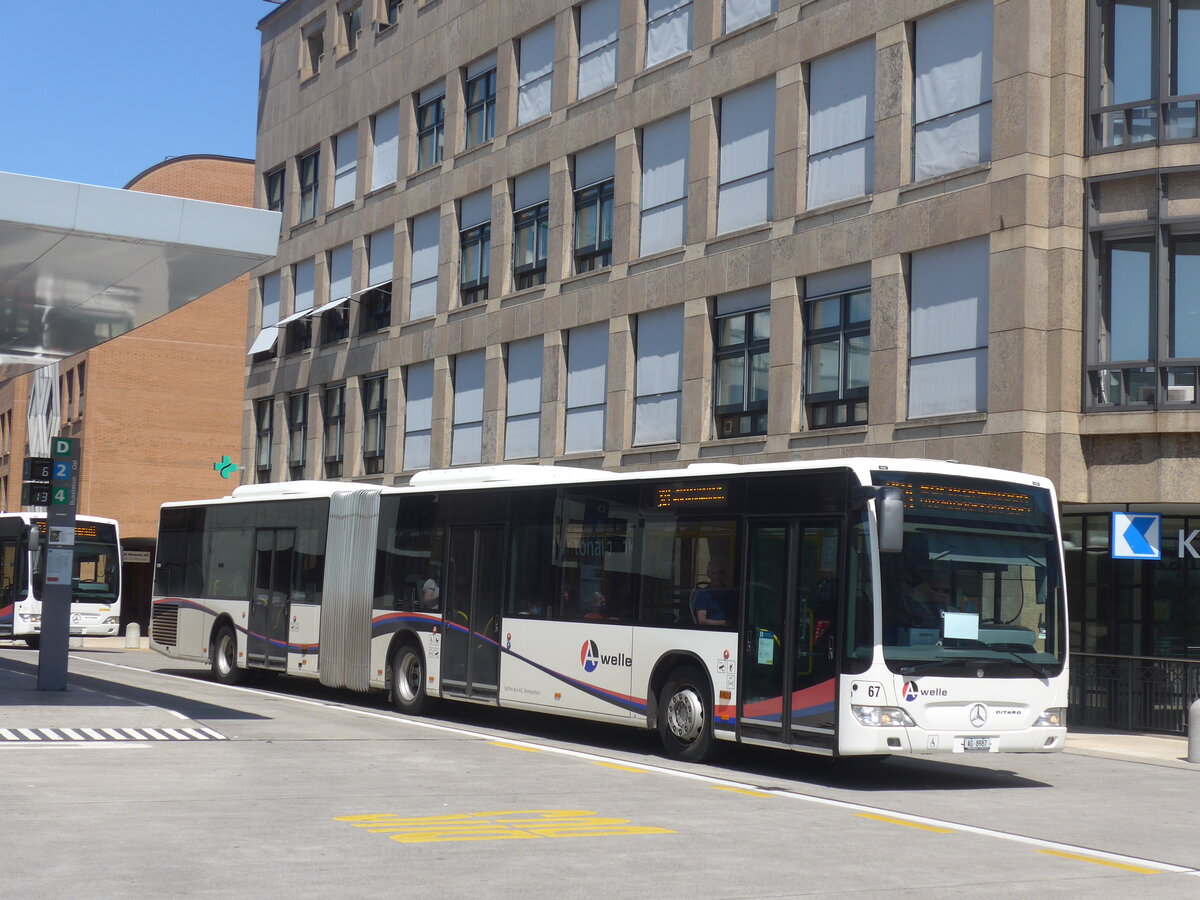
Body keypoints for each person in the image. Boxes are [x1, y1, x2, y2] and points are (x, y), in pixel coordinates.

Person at [692, 560, 736, 626]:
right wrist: (724, 623)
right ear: (708, 574)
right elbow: (702, 621)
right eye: (714, 573)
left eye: (721, 572)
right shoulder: (702, 594)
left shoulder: (731, 593)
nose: (718, 575)